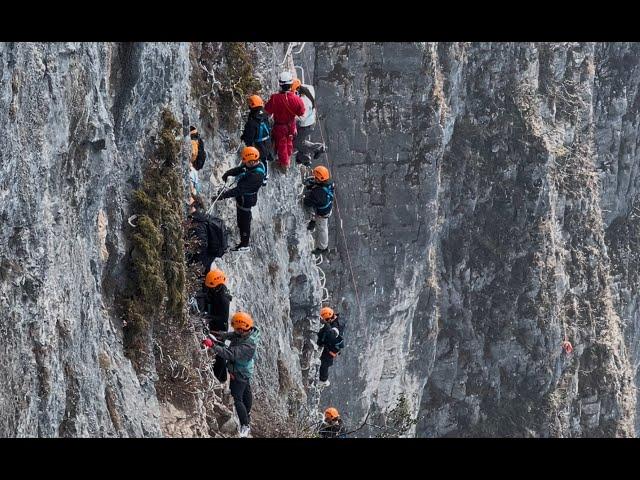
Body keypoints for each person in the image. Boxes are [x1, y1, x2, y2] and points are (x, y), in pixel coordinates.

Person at [205, 311, 261, 438]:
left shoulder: (248, 345)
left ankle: (245, 425)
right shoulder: (246, 333)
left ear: (243, 328)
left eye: (238, 329)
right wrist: (220, 335)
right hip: (245, 371)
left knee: (237, 398)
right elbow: (232, 335)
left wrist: (213, 345)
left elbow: (230, 354)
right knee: (246, 391)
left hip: (239, 373)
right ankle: (247, 414)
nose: (236, 331)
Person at [215, 147, 265, 252]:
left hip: (246, 200)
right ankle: (243, 242)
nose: (243, 162)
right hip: (242, 199)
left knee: (244, 222)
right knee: (240, 221)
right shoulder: (251, 165)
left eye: (245, 161)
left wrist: (223, 196)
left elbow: (239, 190)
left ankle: (244, 245)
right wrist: (228, 173)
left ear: (252, 161)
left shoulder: (256, 176)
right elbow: (240, 169)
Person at [264, 71, 305, 170]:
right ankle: (287, 159)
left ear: (280, 84)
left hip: (280, 126)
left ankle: (284, 165)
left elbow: (267, 111)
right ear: (291, 84)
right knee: (289, 142)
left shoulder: (275, 98)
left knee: (281, 145)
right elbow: (301, 112)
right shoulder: (297, 99)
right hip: (291, 125)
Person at [203, 269, 232, 383]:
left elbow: (222, 318)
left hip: (219, 327)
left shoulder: (223, 299)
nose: (209, 289)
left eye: (211, 287)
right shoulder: (217, 291)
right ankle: (219, 375)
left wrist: (208, 317)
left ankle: (220, 377)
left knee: (219, 350)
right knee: (216, 349)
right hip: (214, 323)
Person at [291, 79, 325, 166]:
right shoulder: (307, 88)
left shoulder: (304, 101)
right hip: (309, 122)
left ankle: (318, 148)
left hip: (306, 125)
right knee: (298, 140)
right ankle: (302, 157)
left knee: (297, 142)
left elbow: (302, 117)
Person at [241, 95, 272, 185]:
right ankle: (265, 177)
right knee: (264, 159)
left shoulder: (252, 121)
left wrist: (247, 143)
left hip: (258, 143)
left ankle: (261, 177)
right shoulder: (265, 114)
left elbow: (249, 136)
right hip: (267, 141)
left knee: (259, 159)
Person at [303, 166, 334, 256]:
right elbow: (318, 185)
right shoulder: (328, 182)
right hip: (326, 207)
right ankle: (313, 221)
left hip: (322, 213)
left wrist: (307, 195)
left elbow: (308, 202)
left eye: (316, 177)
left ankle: (322, 247)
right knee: (316, 215)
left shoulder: (319, 193)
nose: (314, 178)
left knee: (322, 229)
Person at [186, 195, 216, 273]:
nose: (188, 207)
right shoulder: (204, 218)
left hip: (202, 262)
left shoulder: (197, 224)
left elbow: (202, 245)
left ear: (194, 208)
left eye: (189, 206)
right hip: (208, 258)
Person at [316, 306, 344, 387]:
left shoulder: (336, 325)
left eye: (326, 320)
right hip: (329, 346)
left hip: (331, 350)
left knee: (324, 364)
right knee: (324, 363)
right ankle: (322, 379)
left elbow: (333, 334)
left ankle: (323, 380)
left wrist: (326, 325)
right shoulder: (335, 320)